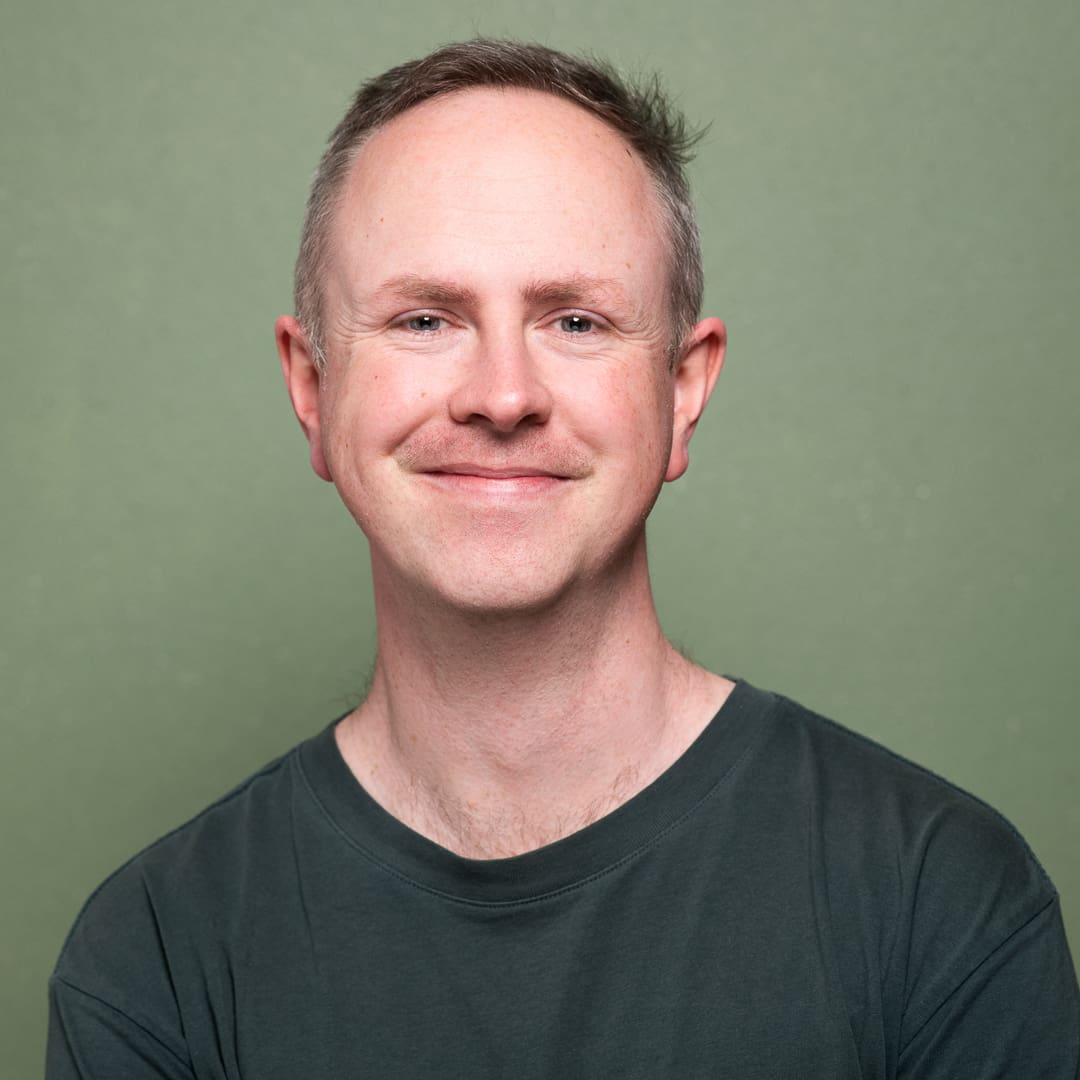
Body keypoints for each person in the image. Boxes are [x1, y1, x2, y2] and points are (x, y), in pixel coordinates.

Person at [47, 39, 1079, 1078]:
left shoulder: (936, 896)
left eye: (575, 320)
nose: (502, 394)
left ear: (682, 390)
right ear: (312, 389)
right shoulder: (155, 960)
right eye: (424, 318)